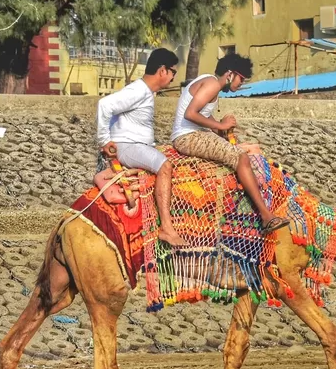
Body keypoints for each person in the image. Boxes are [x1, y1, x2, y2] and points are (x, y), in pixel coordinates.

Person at [170, 54, 288, 234]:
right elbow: (191, 114)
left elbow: (203, 115)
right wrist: (221, 125)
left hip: (193, 134)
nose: (241, 84)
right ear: (230, 74)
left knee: (245, 149)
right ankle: (266, 216)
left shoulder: (210, 84)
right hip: (188, 137)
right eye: (241, 79)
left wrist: (221, 129)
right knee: (240, 157)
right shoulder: (212, 84)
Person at [97, 48, 186, 247]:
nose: (173, 78)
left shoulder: (145, 92)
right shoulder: (139, 90)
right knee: (165, 166)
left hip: (135, 145)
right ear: (162, 70)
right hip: (128, 146)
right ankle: (167, 228)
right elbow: (104, 105)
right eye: (173, 72)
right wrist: (104, 140)